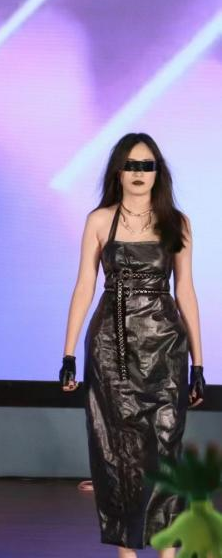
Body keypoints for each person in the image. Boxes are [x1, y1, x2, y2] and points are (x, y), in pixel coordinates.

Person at [59, 132, 206, 557]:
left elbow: (186, 291)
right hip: (112, 346)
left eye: (147, 165)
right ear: (118, 172)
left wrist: (199, 363)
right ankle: (127, 552)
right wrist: (68, 353)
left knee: (166, 446)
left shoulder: (177, 222)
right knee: (117, 451)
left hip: (166, 346)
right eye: (131, 165)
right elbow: (85, 286)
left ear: (158, 172)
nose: (139, 173)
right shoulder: (99, 220)